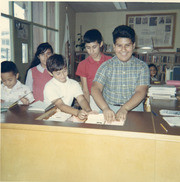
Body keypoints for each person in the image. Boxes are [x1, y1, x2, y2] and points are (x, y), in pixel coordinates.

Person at [91, 25, 150, 122]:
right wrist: (105, 108)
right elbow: (95, 88)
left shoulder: (142, 67)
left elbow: (141, 91)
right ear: (114, 46)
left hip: (134, 110)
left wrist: (125, 108)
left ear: (133, 46)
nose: (123, 50)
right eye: (119, 45)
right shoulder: (106, 66)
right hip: (109, 110)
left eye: (127, 45)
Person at [44, 54, 92, 120]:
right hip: (50, 118)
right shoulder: (49, 86)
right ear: (50, 73)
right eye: (58, 73)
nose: (63, 75)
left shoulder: (73, 84)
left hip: (65, 116)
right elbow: (60, 105)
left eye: (64, 71)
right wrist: (77, 112)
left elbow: (81, 99)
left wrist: (88, 111)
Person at [75, 29, 111, 112]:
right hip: (93, 100)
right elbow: (85, 90)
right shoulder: (82, 64)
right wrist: (88, 109)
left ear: (101, 44)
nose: (91, 51)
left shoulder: (110, 61)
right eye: (88, 48)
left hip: (109, 99)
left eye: (94, 47)